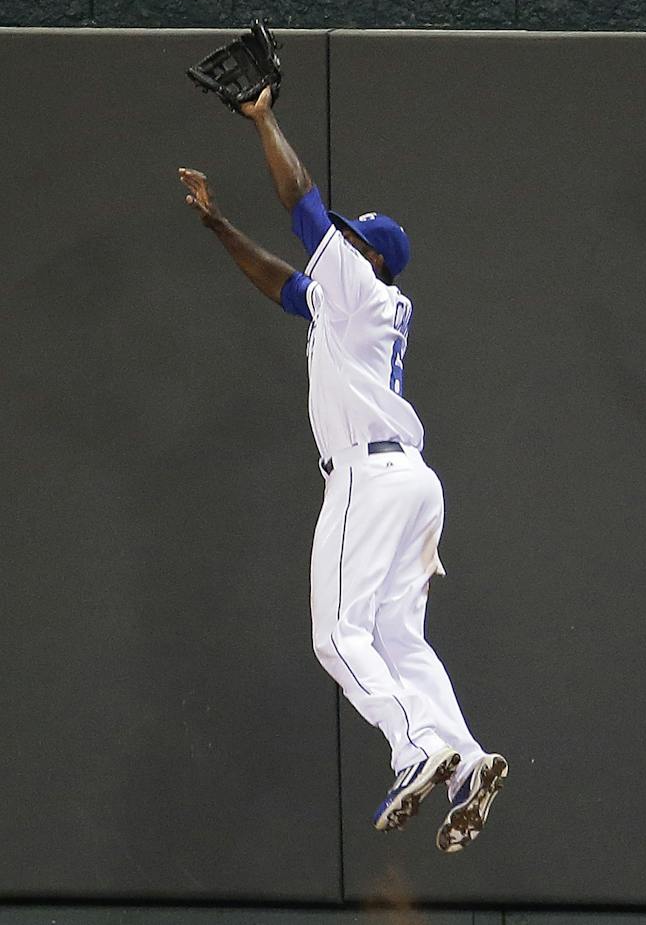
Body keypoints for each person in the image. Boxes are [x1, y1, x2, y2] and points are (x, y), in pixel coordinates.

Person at [177, 85, 506, 854]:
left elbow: (300, 204)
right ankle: (464, 761)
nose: (336, 240)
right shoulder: (347, 306)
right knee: (398, 637)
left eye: (350, 238)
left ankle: (413, 750)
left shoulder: (361, 285)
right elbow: (282, 284)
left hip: (368, 476)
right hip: (413, 483)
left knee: (336, 634)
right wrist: (219, 224)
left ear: (369, 258)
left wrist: (262, 119)